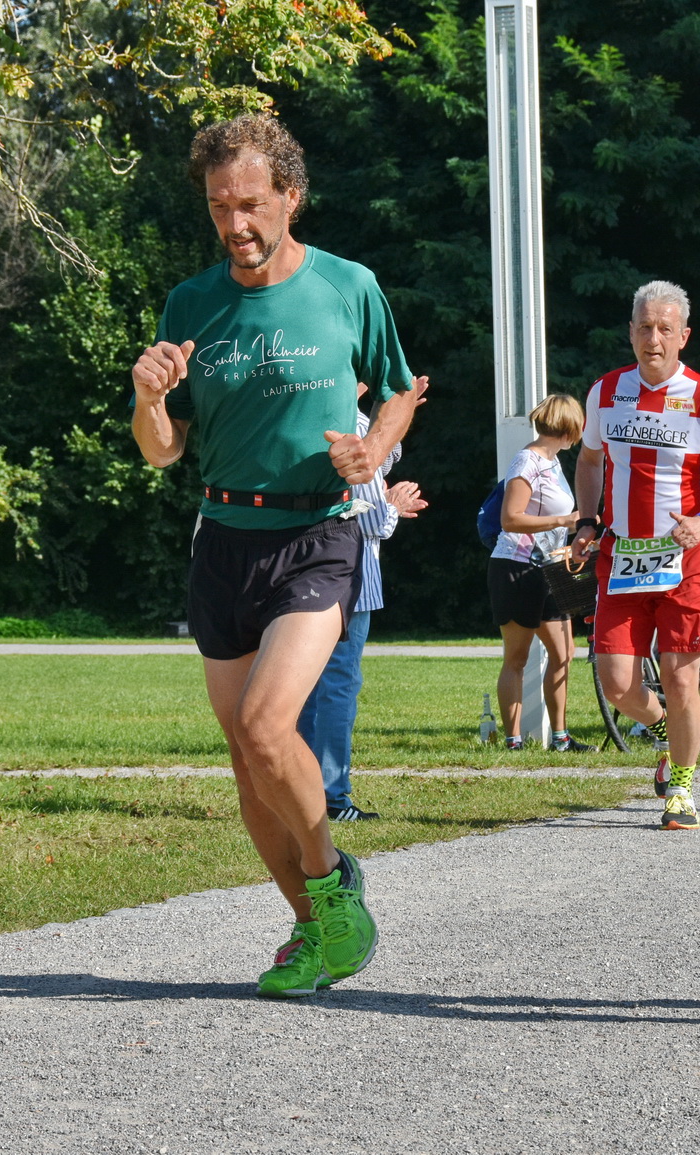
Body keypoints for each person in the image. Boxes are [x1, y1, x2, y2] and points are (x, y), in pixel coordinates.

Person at [130, 113, 427, 998]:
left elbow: (402, 394)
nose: (236, 224)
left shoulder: (348, 285)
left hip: (319, 533)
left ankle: (333, 884)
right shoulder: (191, 303)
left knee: (268, 726)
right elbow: (161, 449)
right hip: (222, 536)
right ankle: (312, 929)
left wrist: (372, 450)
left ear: (290, 197)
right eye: (220, 207)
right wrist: (148, 397)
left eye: (252, 204)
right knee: (244, 755)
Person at [570, 280, 700, 831]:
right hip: (622, 554)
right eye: (644, 327)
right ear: (631, 332)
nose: (654, 338)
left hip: (684, 557)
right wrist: (585, 520)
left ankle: (682, 790)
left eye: (665, 329)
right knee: (617, 683)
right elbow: (590, 462)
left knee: (680, 677)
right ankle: (668, 736)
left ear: (683, 336)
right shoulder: (604, 392)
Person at [298, 390, 427, 820]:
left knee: (304, 691)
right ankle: (332, 797)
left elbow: (371, 472)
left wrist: (387, 432)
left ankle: (296, 792)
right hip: (349, 581)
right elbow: (372, 521)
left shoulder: (301, 415)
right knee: (337, 688)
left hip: (300, 574)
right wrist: (394, 505)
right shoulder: (353, 427)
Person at [488, 393, 593, 753]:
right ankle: (513, 740)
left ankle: (560, 737)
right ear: (569, 427)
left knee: (563, 654)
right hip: (516, 567)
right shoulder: (527, 461)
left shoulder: (553, 462)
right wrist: (565, 520)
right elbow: (510, 518)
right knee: (516, 658)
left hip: (551, 566)